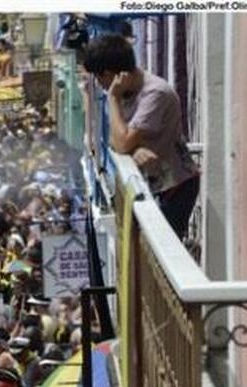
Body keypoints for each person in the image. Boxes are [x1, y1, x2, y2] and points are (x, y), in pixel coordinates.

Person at [83, 33, 199, 239]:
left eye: (99, 77)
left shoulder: (154, 94)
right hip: (153, 185)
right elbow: (114, 139)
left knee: (164, 249)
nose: (98, 83)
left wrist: (112, 99)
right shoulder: (126, 93)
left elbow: (122, 143)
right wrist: (134, 148)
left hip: (174, 187)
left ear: (112, 74)